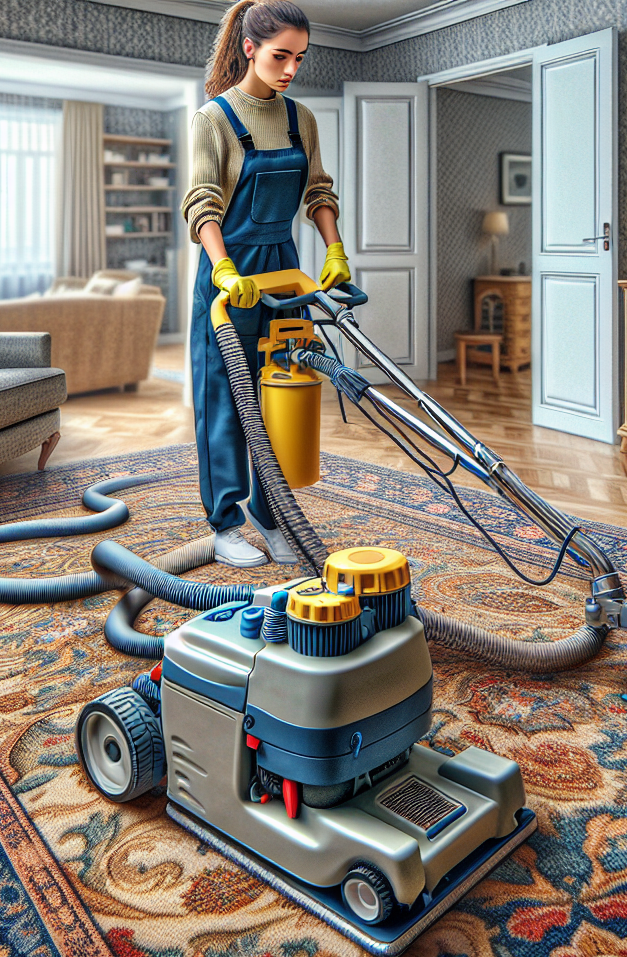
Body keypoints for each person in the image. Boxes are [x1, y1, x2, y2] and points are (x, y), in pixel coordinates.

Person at [182, 0, 349, 567]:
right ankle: (225, 520)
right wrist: (224, 268)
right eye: (281, 55)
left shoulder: (303, 118)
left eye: (300, 58)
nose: (291, 69)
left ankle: (270, 511)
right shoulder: (215, 118)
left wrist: (334, 250)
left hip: (284, 264)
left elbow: (317, 191)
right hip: (228, 269)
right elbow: (203, 201)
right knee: (226, 396)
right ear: (250, 48)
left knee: (281, 387)